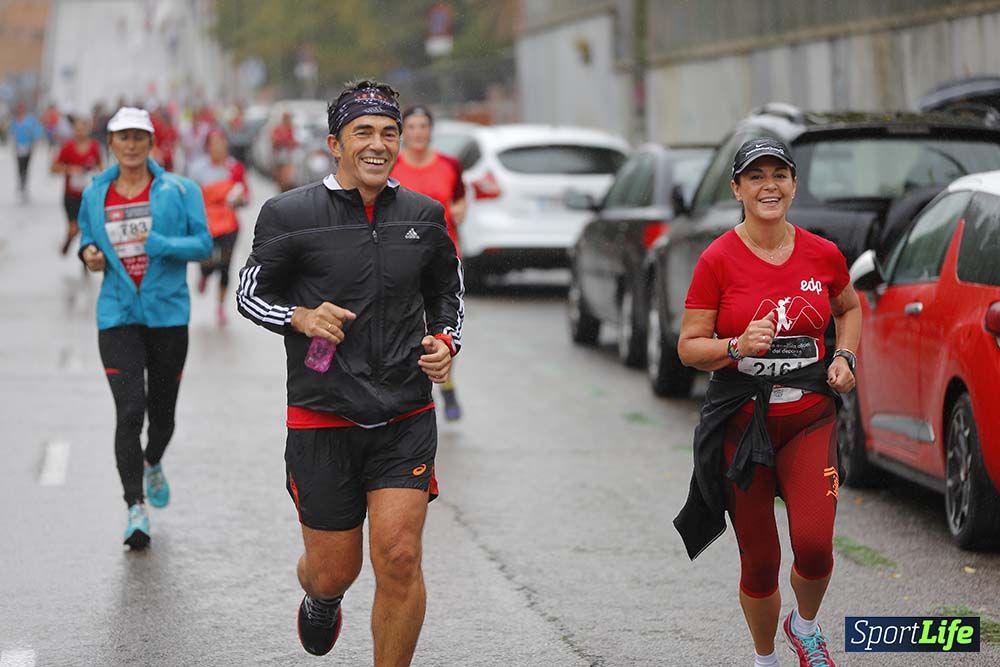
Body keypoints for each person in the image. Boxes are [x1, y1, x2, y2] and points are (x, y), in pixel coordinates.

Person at [236, 80, 463, 664]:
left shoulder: (423, 214)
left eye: (389, 133)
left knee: (400, 556)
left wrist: (445, 341)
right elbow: (249, 293)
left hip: (403, 412)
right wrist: (301, 317)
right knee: (335, 569)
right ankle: (321, 595)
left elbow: (448, 292)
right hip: (322, 414)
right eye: (364, 132)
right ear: (335, 143)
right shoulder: (290, 214)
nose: (379, 144)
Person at [673, 138, 861, 667]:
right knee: (759, 562)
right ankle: (766, 658)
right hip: (743, 427)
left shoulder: (822, 254)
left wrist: (844, 356)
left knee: (815, 545)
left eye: (779, 175)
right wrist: (735, 347)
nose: (769, 186)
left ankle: (804, 626)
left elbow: (850, 306)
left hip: (808, 421)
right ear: (737, 189)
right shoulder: (717, 259)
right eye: (755, 177)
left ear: (795, 185)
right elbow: (689, 346)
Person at [77, 107, 211, 549]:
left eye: (139, 137)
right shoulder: (96, 192)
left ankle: (153, 461)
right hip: (117, 315)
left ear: (151, 143)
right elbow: (86, 238)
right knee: (129, 410)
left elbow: (203, 243)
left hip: (168, 315)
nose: (131, 145)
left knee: (163, 413)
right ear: (110, 144)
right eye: (123, 137)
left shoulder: (179, 189)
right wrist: (89, 254)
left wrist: (162, 244)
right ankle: (135, 507)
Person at [391, 105, 467, 420]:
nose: (418, 133)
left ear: (431, 130)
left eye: (423, 126)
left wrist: (459, 212)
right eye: (411, 127)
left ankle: (446, 385)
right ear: (403, 132)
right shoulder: (391, 166)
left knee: (443, 326)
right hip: (400, 261)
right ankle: (406, 391)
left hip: (443, 260)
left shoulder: (449, 165)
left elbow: (460, 199)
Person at [189, 128, 248, 325]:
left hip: (229, 224)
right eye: (214, 143)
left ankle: (221, 308)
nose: (218, 147)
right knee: (208, 262)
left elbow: (245, 195)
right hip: (206, 224)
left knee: (225, 265)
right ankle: (204, 274)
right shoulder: (198, 169)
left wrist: (240, 199)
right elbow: (190, 195)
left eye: (221, 143)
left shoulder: (235, 168)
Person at [51, 114, 103, 255]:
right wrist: (70, 169)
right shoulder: (67, 147)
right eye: (77, 129)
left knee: (88, 228)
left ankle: (86, 258)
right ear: (73, 130)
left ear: (88, 129)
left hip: (88, 195)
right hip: (71, 195)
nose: (80, 132)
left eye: (83, 129)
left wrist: (101, 177)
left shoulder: (94, 146)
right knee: (74, 227)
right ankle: (68, 241)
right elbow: (53, 167)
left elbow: (100, 166)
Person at [11, 102, 45, 200]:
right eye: (19, 109)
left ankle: (24, 183)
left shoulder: (30, 120)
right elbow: (11, 132)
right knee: (19, 166)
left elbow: (38, 130)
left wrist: (33, 135)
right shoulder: (15, 121)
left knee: (26, 166)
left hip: (28, 146)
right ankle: (21, 182)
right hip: (18, 147)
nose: (20, 111)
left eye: (21, 109)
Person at [270, 110, 297, 191]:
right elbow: (274, 141)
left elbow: (294, 143)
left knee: (287, 178)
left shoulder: (292, 128)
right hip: (279, 156)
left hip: (288, 157)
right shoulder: (278, 129)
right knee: (281, 177)